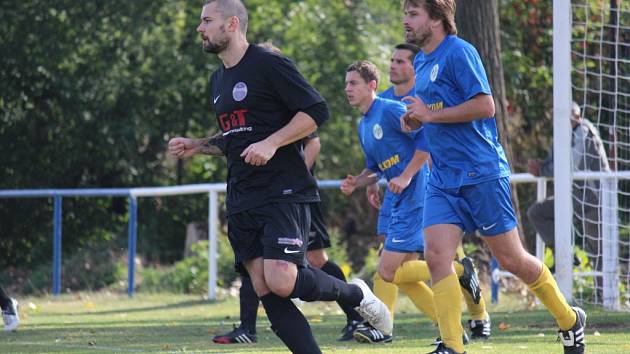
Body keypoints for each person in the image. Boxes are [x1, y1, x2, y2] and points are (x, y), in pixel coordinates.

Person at [168, 1, 391, 352]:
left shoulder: (268, 63)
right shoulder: (217, 80)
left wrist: (272, 143)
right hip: (242, 196)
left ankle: (354, 293)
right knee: (264, 286)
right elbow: (236, 137)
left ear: (232, 24)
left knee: (282, 278)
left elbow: (317, 111)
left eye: (207, 21)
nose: (200, 28)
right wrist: (196, 145)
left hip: (282, 189)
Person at [400, 1, 586, 353]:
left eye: (413, 14)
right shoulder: (421, 61)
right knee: (437, 256)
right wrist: (416, 120)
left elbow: (486, 106)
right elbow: (434, 113)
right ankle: (452, 346)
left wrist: (431, 115)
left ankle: (570, 320)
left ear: (437, 18)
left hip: (480, 172)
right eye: (405, 14)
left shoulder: (459, 52)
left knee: (514, 260)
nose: (405, 21)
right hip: (442, 178)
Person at [340, 60, 480, 345]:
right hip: (398, 198)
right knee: (402, 276)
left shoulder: (390, 109)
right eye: (346, 84)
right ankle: (451, 328)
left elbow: (427, 137)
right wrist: (360, 182)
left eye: (353, 83)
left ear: (372, 86)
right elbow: (375, 167)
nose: (348, 89)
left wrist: (405, 176)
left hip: (416, 193)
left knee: (387, 270)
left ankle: (462, 271)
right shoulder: (363, 125)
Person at [212, 132, 365, 344]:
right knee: (256, 262)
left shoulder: (288, 105)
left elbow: (314, 141)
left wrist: (296, 177)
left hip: (293, 197)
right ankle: (247, 327)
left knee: (316, 260)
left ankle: (356, 315)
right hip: (261, 200)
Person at [527, 101, 609, 291]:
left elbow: (573, 164)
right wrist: (540, 167)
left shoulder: (584, 129)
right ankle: (564, 253)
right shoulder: (560, 135)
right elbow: (552, 164)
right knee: (537, 212)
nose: (561, 120)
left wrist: (544, 169)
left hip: (593, 199)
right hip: (572, 197)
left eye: (566, 115)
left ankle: (603, 296)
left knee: (597, 250)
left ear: (576, 116)